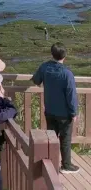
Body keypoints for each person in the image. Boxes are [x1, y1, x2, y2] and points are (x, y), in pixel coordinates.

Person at [32, 42, 79, 174]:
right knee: (65, 139)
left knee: (51, 138)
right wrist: (74, 112)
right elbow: (71, 95)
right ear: (64, 56)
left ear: (52, 54)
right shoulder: (67, 74)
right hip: (64, 113)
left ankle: (50, 164)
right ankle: (66, 165)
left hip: (50, 111)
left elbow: (36, 80)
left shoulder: (45, 67)